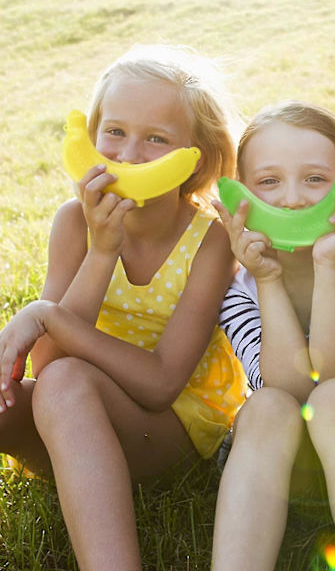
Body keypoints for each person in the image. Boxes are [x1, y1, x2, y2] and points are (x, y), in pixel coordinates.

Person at [0, 44, 247, 571]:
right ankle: (81, 469)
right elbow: (46, 363)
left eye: (156, 138)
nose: (129, 155)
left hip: (170, 429)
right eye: (114, 131)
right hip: (75, 410)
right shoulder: (74, 223)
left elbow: (161, 385)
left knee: (67, 383)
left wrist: (47, 315)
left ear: (197, 157)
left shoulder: (212, 241)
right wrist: (101, 251)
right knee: (56, 383)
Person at [211, 100, 335, 570]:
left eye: (315, 179)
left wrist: (327, 264)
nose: (293, 198)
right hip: (277, 462)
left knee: (334, 399)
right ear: (242, 194)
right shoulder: (236, 284)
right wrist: (267, 278)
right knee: (266, 405)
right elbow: (290, 387)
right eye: (269, 181)